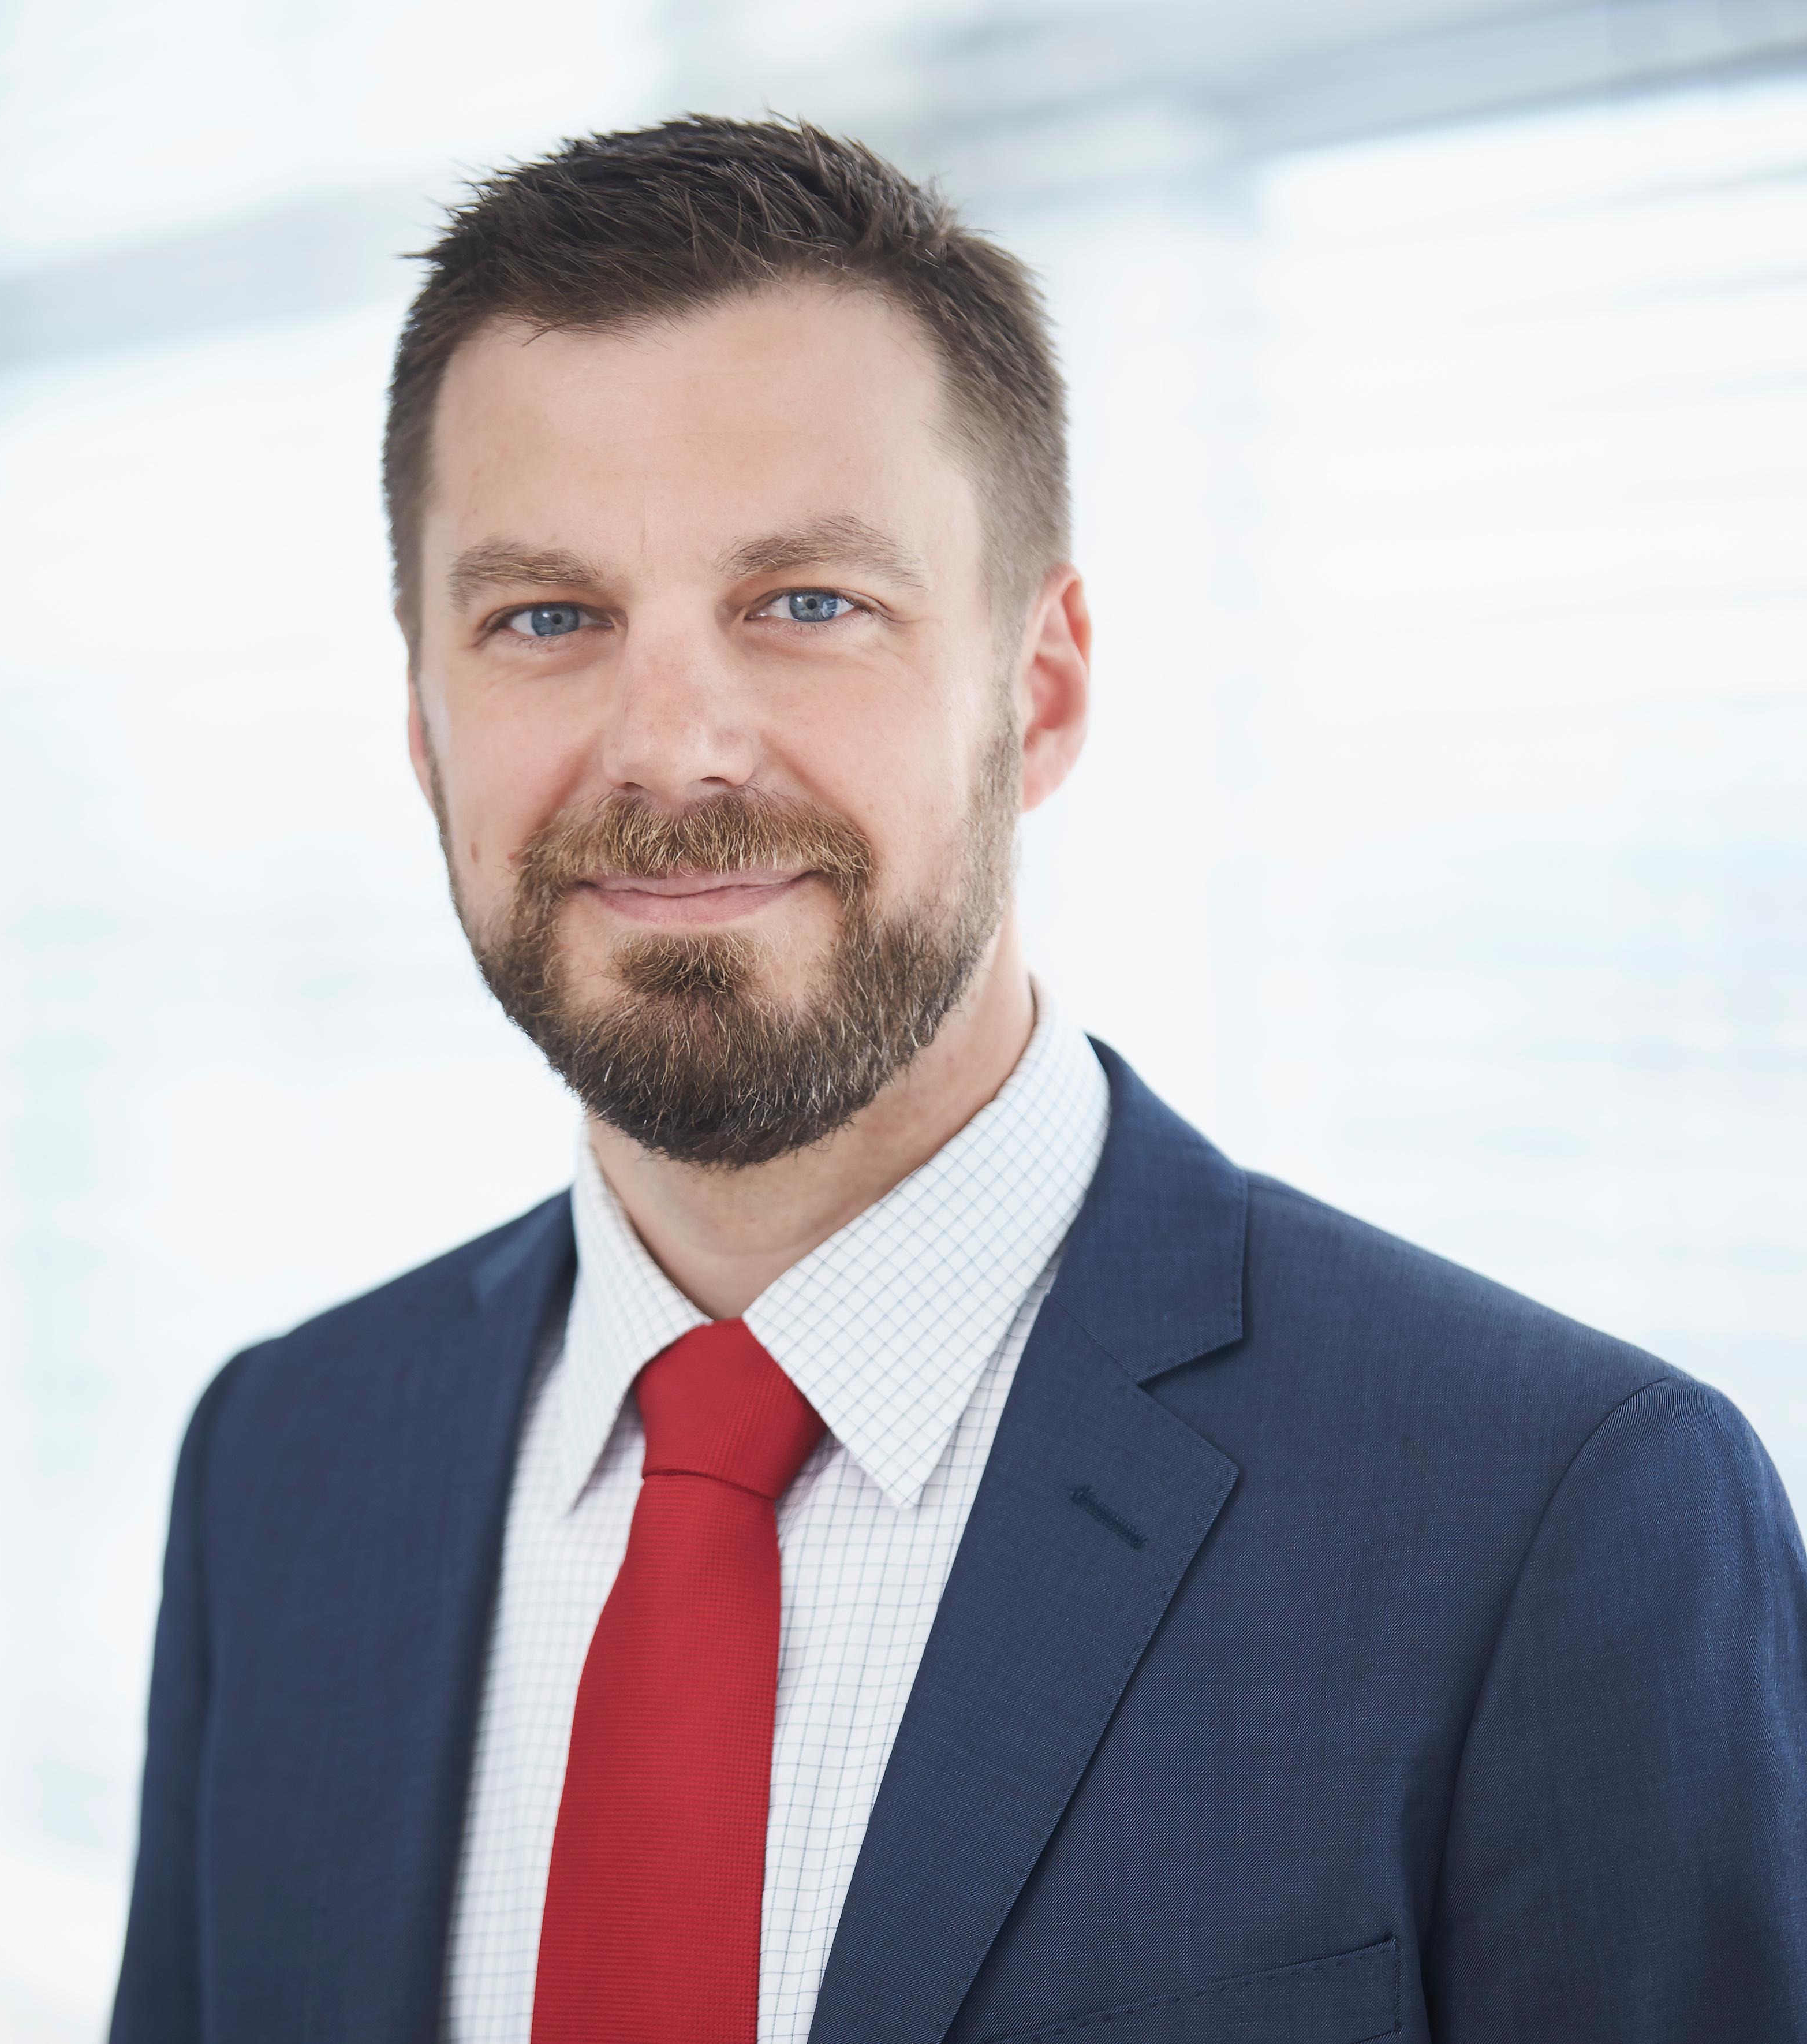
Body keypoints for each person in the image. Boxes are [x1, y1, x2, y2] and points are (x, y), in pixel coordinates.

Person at [110, 118, 1807, 2044]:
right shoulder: (283, 1464)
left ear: (1041, 686)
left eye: (809, 601)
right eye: (548, 620)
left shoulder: (1557, 1515)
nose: (674, 748)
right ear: (425, 724)